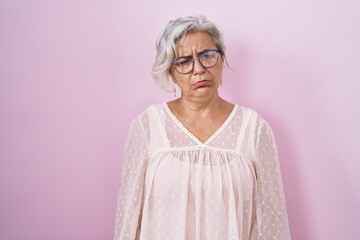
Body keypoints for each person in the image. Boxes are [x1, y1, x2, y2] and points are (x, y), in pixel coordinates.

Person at [114, 15, 291, 240]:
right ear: (170, 72)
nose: (198, 69)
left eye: (207, 56)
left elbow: (272, 219)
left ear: (221, 60)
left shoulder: (254, 128)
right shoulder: (147, 127)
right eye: (184, 61)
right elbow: (128, 217)